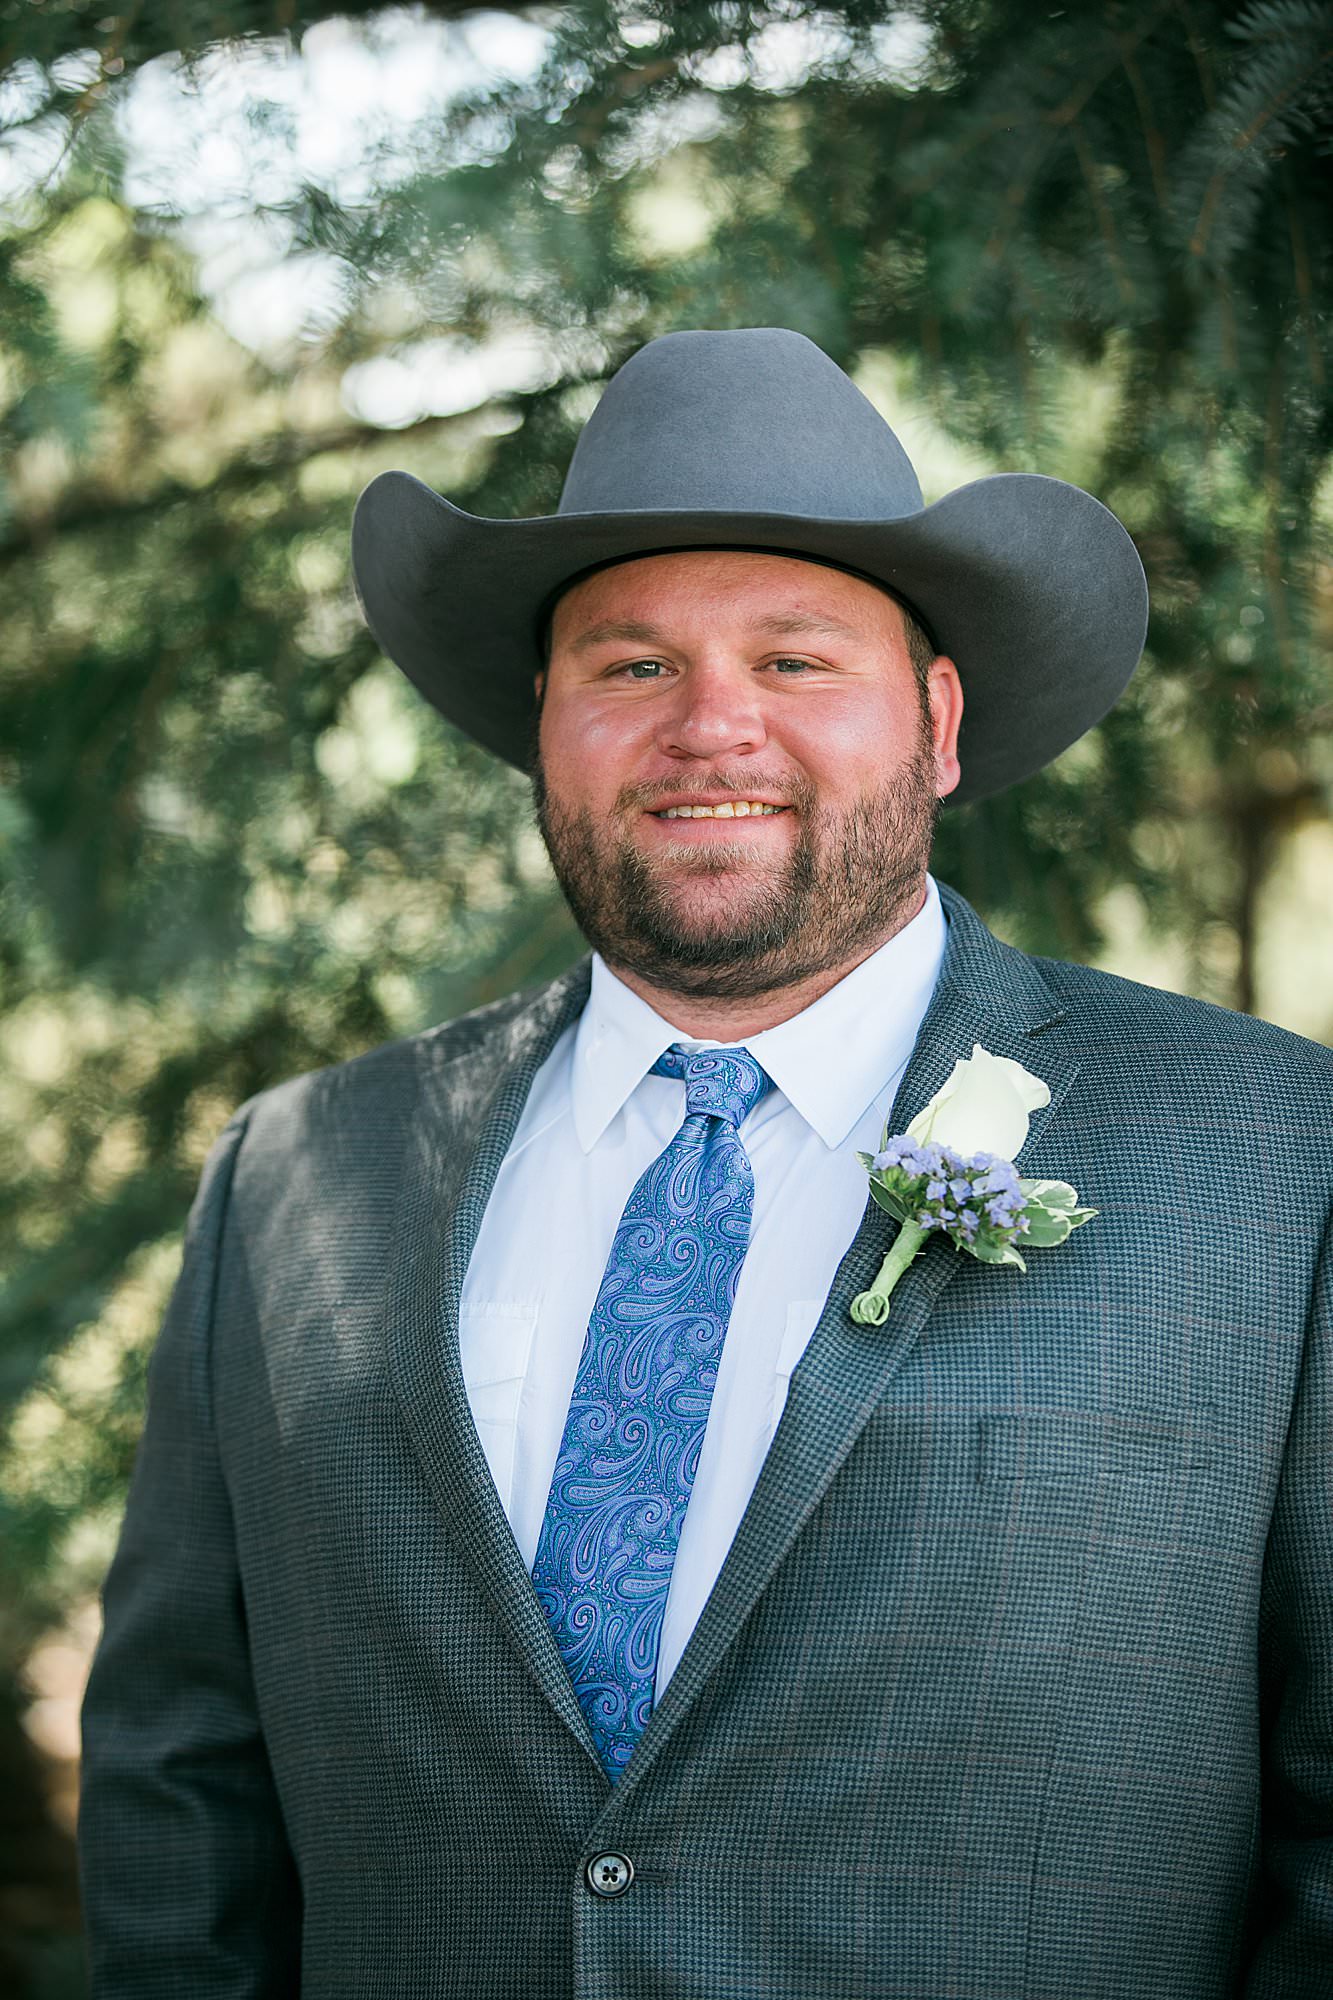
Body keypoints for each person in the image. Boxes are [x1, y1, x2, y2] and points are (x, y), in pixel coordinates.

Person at [79, 327, 1333, 1997]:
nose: (710, 727)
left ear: (938, 725)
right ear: (546, 725)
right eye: (630, 667)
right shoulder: (299, 1176)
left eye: (798, 660)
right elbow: (183, 1780)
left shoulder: (1269, 1159)